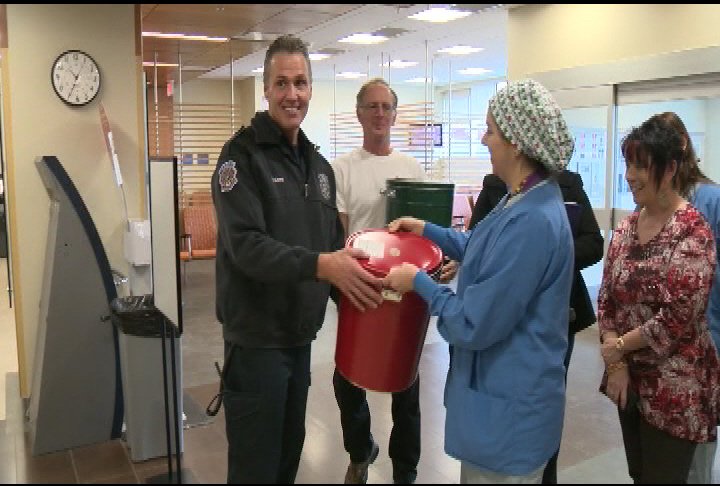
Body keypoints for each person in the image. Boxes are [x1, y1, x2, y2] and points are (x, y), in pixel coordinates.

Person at [383, 78, 576, 483]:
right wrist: (426, 229)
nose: (484, 140)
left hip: (511, 417)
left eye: (490, 130)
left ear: (517, 143)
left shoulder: (532, 219)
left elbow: (474, 322)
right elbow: (483, 244)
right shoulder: (522, 197)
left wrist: (420, 283)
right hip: (501, 404)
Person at [210, 35, 384, 484]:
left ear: (310, 89)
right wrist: (322, 266)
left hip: (299, 341)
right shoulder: (240, 158)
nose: (292, 94)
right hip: (256, 346)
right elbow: (247, 247)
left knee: (287, 463)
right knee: (255, 472)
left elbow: (336, 250)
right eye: (282, 83)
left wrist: (381, 299)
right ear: (266, 89)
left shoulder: (318, 168)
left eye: (300, 83)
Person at [596, 115, 720, 484]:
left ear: (670, 169)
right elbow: (607, 298)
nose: (630, 176)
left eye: (640, 166)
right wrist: (616, 363)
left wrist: (618, 347)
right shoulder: (626, 228)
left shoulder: (693, 231)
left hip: (675, 389)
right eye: (627, 165)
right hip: (629, 380)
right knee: (639, 475)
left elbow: (677, 317)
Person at [468, 169, 603, 483]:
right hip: (505, 314)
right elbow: (475, 242)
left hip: (557, 314)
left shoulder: (566, 184)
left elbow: (593, 243)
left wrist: (548, 254)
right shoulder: (495, 185)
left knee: (546, 407)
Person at [330, 77, 426, 485]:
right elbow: (340, 232)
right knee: (347, 377)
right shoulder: (343, 169)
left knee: (406, 382)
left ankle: (405, 471)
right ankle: (360, 450)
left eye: (386, 106)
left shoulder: (411, 169)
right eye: (372, 106)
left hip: (404, 290)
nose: (380, 114)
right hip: (358, 285)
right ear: (359, 114)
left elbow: (425, 233)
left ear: (395, 114)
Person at [651, 111, 720, 484]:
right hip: (655, 348)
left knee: (694, 462)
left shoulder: (711, 200)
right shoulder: (651, 204)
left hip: (702, 343)